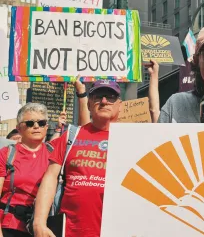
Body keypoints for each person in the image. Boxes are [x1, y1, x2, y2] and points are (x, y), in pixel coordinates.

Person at [32, 80, 122, 237]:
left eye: (110, 96)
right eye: (98, 96)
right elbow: (51, 178)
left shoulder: (131, 139)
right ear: (88, 104)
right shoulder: (71, 136)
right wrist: (39, 222)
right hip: (70, 231)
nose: (104, 101)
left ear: (120, 105)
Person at [0, 103, 50, 237]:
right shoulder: (6, 153)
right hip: (10, 226)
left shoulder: (55, 153)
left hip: (43, 228)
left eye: (41, 122)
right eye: (29, 123)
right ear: (19, 128)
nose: (36, 126)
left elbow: (82, 132)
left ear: (47, 126)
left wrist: (81, 94)